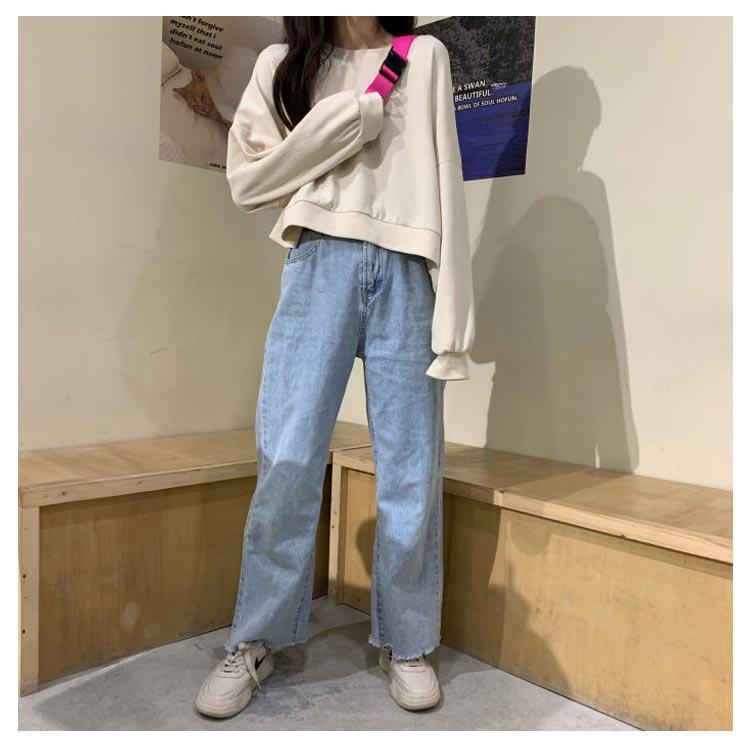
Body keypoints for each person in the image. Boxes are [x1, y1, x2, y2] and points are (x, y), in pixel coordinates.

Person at [195, 16, 475, 719]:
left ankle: (407, 640)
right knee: (288, 458)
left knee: (410, 466)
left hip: (409, 267)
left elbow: (448, 180)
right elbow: (248, 180)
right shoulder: (283, 64)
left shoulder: (424, 55)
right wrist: (344, 121)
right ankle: (258, 636)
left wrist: (455, 317)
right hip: (317, 259)